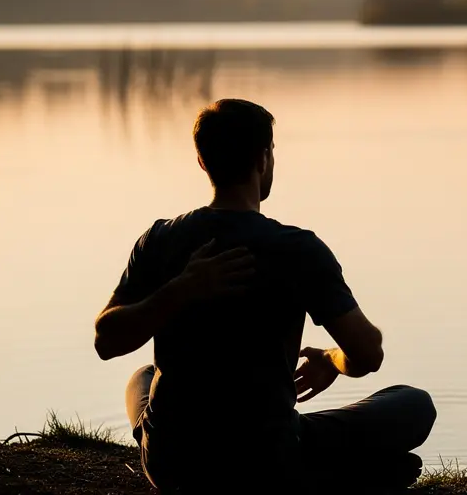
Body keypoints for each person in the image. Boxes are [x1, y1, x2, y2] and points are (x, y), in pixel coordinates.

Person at [93, 99, 436, 493]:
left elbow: (106, 339)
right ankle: (341, 475)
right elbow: (369, 352)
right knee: (414, 404)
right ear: (264, 159)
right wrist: (332, 361)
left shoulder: (160, 239)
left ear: (203, 163)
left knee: (142, 378)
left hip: (173, 462)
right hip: (268, 457)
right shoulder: (298, 248)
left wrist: (176, 291)